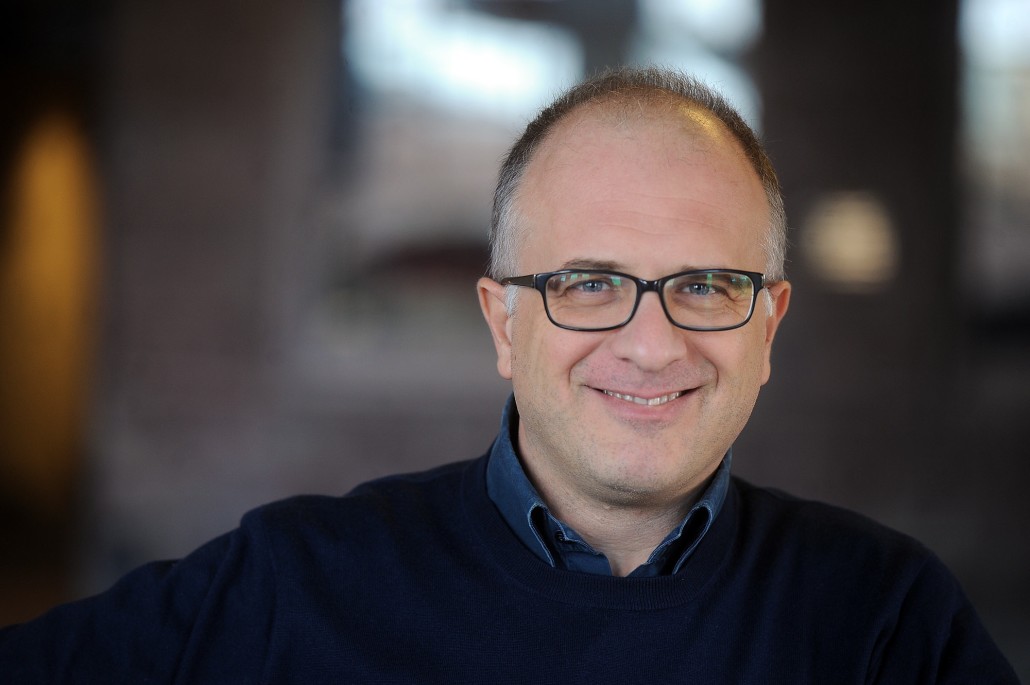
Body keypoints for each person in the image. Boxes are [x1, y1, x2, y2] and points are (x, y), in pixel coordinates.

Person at [0, 67, 1017, 683]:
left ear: (769, 324)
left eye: (706, 285)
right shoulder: (292, 584)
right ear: (502, 319)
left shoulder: (885, 620)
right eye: (589, 283)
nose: (651, 343)